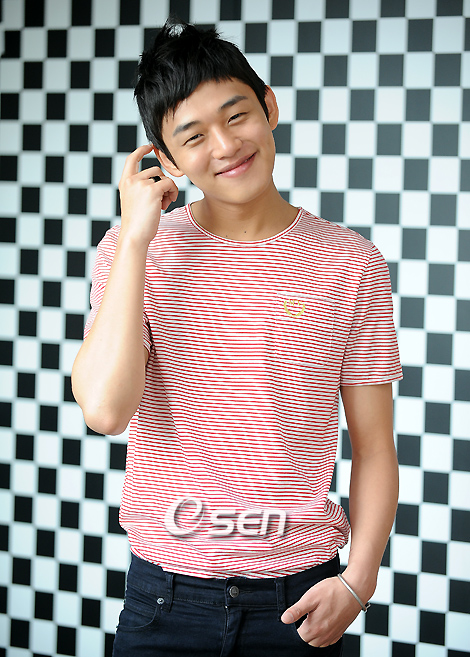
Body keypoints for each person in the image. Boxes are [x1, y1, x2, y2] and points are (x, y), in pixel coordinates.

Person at [71, 16, 403, 656]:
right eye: (194, 136)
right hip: (164, 601)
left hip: (300, 599)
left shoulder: (351, 260)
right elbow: (106, 412)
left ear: (269, 107)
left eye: (237, 115)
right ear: (167, 158)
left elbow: (374, 446)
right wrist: (136, 237)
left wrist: (358, 583)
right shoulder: (133, 251)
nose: (225, 146)